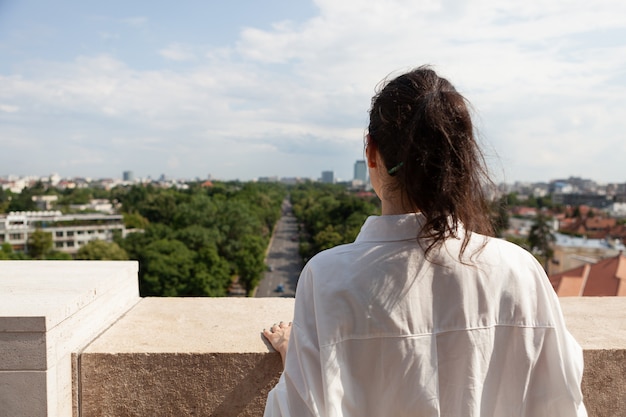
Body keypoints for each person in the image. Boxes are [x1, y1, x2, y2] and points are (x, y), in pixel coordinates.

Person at [262, 66, 587, 417]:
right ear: (461, 161)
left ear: (371, 153)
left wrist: (297, 356)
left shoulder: (326, 277)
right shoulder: (520, 271)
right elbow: (561, 402)